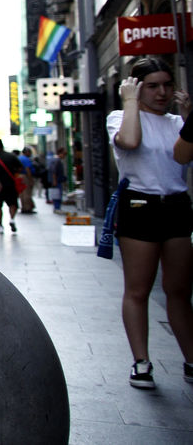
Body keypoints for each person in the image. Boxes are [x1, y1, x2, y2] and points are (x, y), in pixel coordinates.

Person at [113, 58, 193, 389]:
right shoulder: (120, 118)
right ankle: (141, 362)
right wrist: (130, 102)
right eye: (152, 86)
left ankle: (190, 359)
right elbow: (129, 142)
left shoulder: (177, 122)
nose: (161, 92)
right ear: (136, 87)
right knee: (138, 289)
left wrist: (188, 118)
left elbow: (183, 157)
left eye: (166, 85)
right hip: (140, 206)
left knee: (179, 290)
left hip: (175, 206)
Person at [0, 138, 21, 235]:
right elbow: (19, 167)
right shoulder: (10, 156)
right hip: (10, 184)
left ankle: (0, 225)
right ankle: (12, 220)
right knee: (12, 204)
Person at [46, 147, 67, 213]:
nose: (64, 156)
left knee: (57, 194)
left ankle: (57, 207)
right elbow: (54, 171)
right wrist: (54, 181)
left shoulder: (55, 160)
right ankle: (57, 207)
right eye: (64, 154)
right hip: (57, 180)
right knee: (57, 194)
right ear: (60, 153)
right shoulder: (56, 160)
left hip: (57, 180)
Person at [18, 147, 38, 213]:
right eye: (29, 152)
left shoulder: (19, 158)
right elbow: (27, 169)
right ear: (26, 152)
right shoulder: (25, 159)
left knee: (22, 193)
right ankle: (27, 208)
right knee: (27, 192)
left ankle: (24, 207)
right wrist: (30, 179)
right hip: (25, 177)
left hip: (19, 176)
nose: (30, 154)